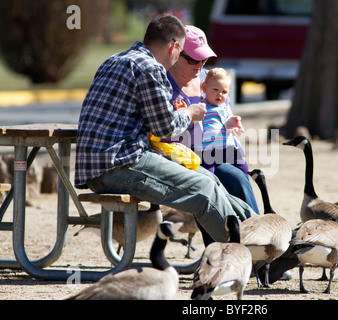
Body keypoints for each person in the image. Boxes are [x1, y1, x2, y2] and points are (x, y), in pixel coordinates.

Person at [75, 14, 258, 243]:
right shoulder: (150, 68)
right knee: (203, 190)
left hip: (108, 161)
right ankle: (252, 251)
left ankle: (263, 236)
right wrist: (189, 114)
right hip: (117, 165)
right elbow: (165, 127)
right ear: (174, 47)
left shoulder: (115, 59)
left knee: (211, 181)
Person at [167, 25, 259, 214]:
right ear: (175, 51)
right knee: (208, 185)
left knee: (238, 178)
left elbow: (224, 112)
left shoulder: (210, 77)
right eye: (193, 58)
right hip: (183, 157)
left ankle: (255, 229)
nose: (200, 64)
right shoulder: (163, 84)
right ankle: (219, 241)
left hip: (216, 152)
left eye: (204, 58)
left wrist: (231, 123)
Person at [199, 68, 248, 176]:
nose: (220, 94)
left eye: (224, 92)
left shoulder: (224, 107)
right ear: (204, 87)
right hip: (208, 149)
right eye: (215, 89)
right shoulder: (201, 105)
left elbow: (227, 121)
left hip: (227, 146)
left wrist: (233, 121)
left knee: (243, 166)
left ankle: (244, 181)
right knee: (208, 174)